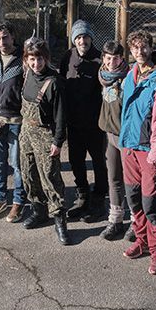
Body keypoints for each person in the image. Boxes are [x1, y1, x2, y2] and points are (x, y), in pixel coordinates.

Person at [119, 30, 156, 275]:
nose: (139, 52)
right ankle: (142, 241)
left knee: (151, 204)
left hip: (148, 152)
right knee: (133, 200)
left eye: (144, 47)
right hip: (129, 148)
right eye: (135, 48)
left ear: (151, 47)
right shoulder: (131, 75)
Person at [18, 37, 70, 245]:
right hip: (26, 131)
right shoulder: (27, 74)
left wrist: (57, 142)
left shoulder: (54, 82)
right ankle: (38, 211)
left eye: (39, 59)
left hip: (45, 134)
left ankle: (59, 220)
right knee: (28, 172)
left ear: (46, 59)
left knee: (50, 177)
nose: (35, 63)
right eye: (31, 59)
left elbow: (61, 116)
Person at [62, 20, 108, 221]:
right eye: (78, 37)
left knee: (98, 161)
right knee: (76, 160)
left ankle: (99, 198)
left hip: (95, 124)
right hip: (73, 122)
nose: (82, 41)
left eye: (86, 37)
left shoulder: (100, 60)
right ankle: (82, 195)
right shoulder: (68, 57)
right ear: (74, 40)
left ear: (91, 38)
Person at [0, 21, 26, 222]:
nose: (2, 42)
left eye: (5, 37)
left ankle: (18, 202)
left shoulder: (23, 59)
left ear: (13, 36)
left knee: (17, 164)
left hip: (17, 120)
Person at [97, 40, 131, 241]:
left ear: (122, 58)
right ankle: (116, 220)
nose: (111, 62)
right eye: (108, 58)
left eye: (116, 58)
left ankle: (136, 222)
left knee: (131, 181)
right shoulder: (103, 76)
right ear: (103, 58)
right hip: (108, 134)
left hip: (125, 137)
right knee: (114, 178)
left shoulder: (128, 79)